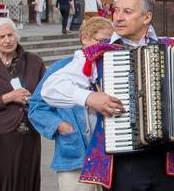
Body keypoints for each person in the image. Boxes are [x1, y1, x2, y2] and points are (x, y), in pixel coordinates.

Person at [41, 0, 174, 190]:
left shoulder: (173, 47)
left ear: (147, 17)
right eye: (116, 10)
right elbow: (50, 88)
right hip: (123, 163)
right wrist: (89, 97)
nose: (118, 17)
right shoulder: (97, 55)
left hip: (169, 160)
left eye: (127, 11)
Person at [29, 17, 114, 191]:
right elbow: (37, 107)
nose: (107, 46)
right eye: (103, 41)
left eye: (110, 42)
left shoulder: (113, 67)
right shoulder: (62, 69)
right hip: (75, 153)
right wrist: (60, 126)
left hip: (110, 155)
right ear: (85, 38)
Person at [0, 17, 47, 191]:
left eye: (10, 35)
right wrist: (8, 97)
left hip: (29, 134)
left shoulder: (34, 61)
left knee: (26, 180)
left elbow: (47, 96)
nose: (7, 40)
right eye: (2, 37)